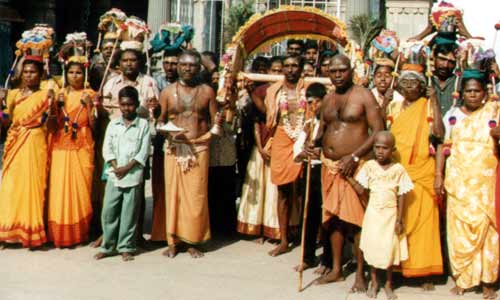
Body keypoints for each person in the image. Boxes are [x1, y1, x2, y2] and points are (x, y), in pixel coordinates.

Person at [313, 54, 384, 291]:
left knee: (357, 223)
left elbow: (378, 130)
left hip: (356, 166)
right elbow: (322, 130)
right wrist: (311, 146)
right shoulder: (328, 99)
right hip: (330, 166)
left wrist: (354, 157)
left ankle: (360, 275)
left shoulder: (363, 95)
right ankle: (335, 270)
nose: (337, 75)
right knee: (333, 221)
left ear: (351, 70)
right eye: (333, 71)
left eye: (342, 70)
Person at [435, 71, 499, 299]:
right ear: (461, 93)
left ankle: (488, 282)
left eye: (477, 91)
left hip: (485, 182)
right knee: (458, 230)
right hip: (458, 182)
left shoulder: (494, 112)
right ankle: (463, 278)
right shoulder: (453, 115)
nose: (472, 95)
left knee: (487, 231)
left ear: (484, 93)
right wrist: (439, 175)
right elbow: (443, 146)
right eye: (468, 91)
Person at [386, 65, 444, 290]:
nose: (409, 87)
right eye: (405, 83)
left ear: (422, 87)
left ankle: (425, 271)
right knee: (400, 221)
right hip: (399, 171)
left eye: (415, 83)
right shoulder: (394, 106)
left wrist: (436, 102)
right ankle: (400, 268)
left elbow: (438, 134)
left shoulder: (428, 106)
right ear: (399, 85)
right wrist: (384, 102)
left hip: (423, 171)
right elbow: (381, 131)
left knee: (425, 222)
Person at [158, 50, 220, 258]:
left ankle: (193, 241)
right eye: (183, 65)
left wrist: (212, 133)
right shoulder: (167, 92)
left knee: (196, 197)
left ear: (198, 67)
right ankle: (173, 241)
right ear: (177, 67)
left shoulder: (207, 92)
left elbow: (214, 123)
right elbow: (160, 120)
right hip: (174, 149)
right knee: (173, 196)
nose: (187, 69)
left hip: (199, 148)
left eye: (192, 65)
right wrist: (168, 130)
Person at [350, 131, 413, 300]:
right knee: (373, 247)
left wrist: (399, 219)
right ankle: (374, 281)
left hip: (391, 215)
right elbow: (362, 189)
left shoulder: (398, 169)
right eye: (377, 147)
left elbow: (402, 194)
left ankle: (388, 284)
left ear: (393, 149)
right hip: (373, 214)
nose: (380, 151)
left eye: (384, 148)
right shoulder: (369, 166)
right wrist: (348, 178)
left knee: (388, 248)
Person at [0, 58, 56, 248]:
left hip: (35, 141)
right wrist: (1, 106)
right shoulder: (13, 94)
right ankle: (7, 232)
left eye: (33, 72)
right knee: (10, 185)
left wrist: (52, 104)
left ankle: (30, 232)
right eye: (26, 72)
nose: (29, 75)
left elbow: (50, 123)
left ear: (40, 75)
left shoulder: (45, 95)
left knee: (32, 185)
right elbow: (7, 121)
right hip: (15, 141)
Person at [254, 55, 307, 257]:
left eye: (295, 65)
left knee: (303, 191)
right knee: (283, 191)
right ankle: (284, 240)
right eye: (287, 66)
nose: (291, 69)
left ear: (301, 68)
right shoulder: (273, 90)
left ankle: (305, 236)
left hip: (304, 137)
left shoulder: (309, 89)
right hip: (282, 138)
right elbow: (257, 99)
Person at [94, 86, 151, 262]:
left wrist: (126, 168)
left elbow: (143, 151)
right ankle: (108, 246)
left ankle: (126, 246)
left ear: (137, 104)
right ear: (119, 105)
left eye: (130, 105)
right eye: (123, 105)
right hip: (114, 175)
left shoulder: (143, 125)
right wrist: (115, 166)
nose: (127, 108)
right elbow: (107, 148)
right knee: (109, 211)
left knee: (129, 212)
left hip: (132, 175)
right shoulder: (113, 124)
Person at [48, 47, 96, 247]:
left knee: (81, 189)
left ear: (84, 74)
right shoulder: (60, 94)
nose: (74, 76)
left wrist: (90, 106)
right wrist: (56, 106)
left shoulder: (90, 93)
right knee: (59, 189)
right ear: (66, 74)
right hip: (60, 144)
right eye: (71, 72)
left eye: (78, 72)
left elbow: (95, 125)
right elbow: (52, 124)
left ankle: (79, 233)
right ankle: (58, 234)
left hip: (82, 145)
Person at [293, 83, 332, 274]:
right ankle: (307, 257)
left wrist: (322, 152)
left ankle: (328, 260)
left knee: (327, 218)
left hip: (327, 172)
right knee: (308, 217)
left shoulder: (333, 124)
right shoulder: (309, 125)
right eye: (310, 102)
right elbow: (296, 152)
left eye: (317, 101)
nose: (314, 106)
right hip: (310, 173)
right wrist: (304, 152)